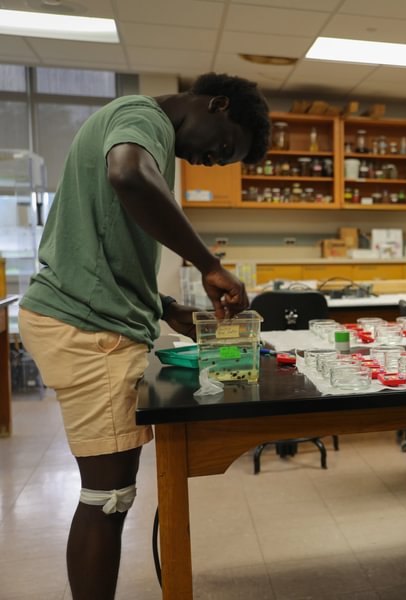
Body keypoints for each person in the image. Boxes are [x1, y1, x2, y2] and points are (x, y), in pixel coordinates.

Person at [17, 72, 270, 600]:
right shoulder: (142, 118)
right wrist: (207, 263)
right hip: (88, 329)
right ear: (216, 104)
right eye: (221, 146)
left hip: (88, 314)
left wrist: (165, 307)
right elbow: (127, 176)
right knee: (106, 498)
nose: (208, 160)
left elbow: (101, 247)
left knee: (110, 494)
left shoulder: (136, 123)